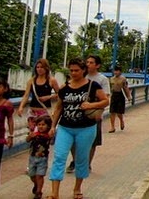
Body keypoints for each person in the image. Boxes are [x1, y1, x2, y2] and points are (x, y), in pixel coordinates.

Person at [49, 57, 108, 199]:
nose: (73, 73)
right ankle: (54, 192)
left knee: (81, 158)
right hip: (65, 127)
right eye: (71, 70)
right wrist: (53, 126)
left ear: (83, 71)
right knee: (59, 157)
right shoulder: (65, 88)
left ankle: (77, 188)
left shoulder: (93, 86)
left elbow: (106, 100)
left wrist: (91, 105)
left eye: (77, 70)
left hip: (86, 128)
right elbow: (59, 108)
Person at [67, 55, 109, 173]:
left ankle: (87, 163)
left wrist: (98, 111)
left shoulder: (102, 80)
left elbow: (106, 98)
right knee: (73, 140)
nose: (88, 64)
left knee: (92, 141)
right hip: (76, 111)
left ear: (97, 65)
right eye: (87, 62)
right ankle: (76, 161)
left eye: (91, 62)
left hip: (93, 112)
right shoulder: (80, 77)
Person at [17, 58, 61, 131]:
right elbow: (26, 95)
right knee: (33, 132)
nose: (39, 69)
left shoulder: (51, 80)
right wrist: (21, 107)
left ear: (46, 68)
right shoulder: (31, 81)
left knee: (42, 133)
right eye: (38, 67)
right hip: (32, 111)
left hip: (44, 111)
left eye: (42, 67)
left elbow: (59, 94)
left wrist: (49, 97)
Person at [27, 115, 53, 199]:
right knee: (32, 175)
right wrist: (30, 136)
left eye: (43, 125)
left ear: (48, 126)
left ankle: (39, 191)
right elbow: (27, 140)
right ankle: (36, 184)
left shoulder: (48, 136)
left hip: (42, 158)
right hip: (32, 157)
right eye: (39, 124)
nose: (41, 126)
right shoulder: (34, 134)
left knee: (40, 175)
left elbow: (53, 139)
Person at [108, 66, 132, 133]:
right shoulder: (111, 79)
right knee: (112, 111)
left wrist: (128, 96)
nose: (116, 72)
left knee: (119, 112)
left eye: (117, 71)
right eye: (115, 71)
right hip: (114, 95)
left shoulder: (123, 79)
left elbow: (125, 88)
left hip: (120, 95)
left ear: (120, 71)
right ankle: (112, 127)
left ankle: (121, 121)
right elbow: (109, 87)